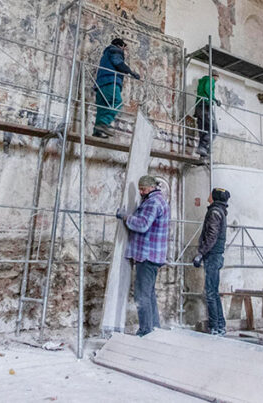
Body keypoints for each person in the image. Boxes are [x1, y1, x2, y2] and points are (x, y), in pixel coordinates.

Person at [117, 175, 170, 337]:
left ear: (151, 187)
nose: (140, 192)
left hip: (148, 255)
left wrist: (126, 217)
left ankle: (146, 330)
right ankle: (154, 328)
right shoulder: (158, 200)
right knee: (149, 293)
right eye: (139, 189)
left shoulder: (153, 202)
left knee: (141, 295)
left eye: (143, 189)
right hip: (153, 255)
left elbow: (142, 225)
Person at [192, 187, 230, 335]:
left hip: (212, 256)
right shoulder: (220, 211)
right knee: (214, 292)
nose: (208, 196)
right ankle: (220, 325)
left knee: (211, 293)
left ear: (214, 197)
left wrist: (200, 253)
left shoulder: (214, 212)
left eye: (210, 194)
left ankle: (215, 327)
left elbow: (212, 235)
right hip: (216, 255)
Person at [93, 38, 140, 138]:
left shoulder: (105, 55)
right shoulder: (115, 50)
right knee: (117, 102)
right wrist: (131, 72)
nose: (124, 50)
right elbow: (118, 63)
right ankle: (103, 124)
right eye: (124, 47)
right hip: (110, 81)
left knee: (103, 107)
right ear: (120, 46)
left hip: (100, 84)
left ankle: (97, 131)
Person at [193, 72, 221, 157]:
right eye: (217, 78)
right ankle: (203, 146)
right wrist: (215, 100)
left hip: (199, 107)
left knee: (203, 130)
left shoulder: (203, 81)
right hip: (205, 106)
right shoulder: (210, 80)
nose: (217, 80)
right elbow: (207, 89)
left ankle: (203, 150)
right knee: (214, 129)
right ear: (215, 76)